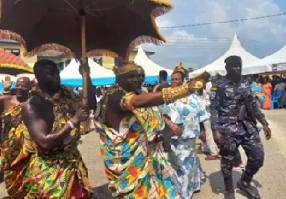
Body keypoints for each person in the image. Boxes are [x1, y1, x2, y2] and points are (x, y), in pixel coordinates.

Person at [96, 61, 201, 199]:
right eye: (131, 76)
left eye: (139, 76)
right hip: (128, 159)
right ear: (118, 78)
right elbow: (137, 102)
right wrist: (183, 89)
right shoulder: (116, 95)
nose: (137, 79)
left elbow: (152, 114)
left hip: (149, 153)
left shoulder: (136, 91)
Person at [21, 59, 97, 198]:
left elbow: (90, 106)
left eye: (57, 72)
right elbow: (45, 142)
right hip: (51, 168)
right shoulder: (33, 106)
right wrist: (74, 121)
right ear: (38, 78)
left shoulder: (67, 95)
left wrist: (87, 77)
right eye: (51, 74)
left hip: (73, 162)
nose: (57, 76)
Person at [210, 55, 271, 199]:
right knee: (227, 160)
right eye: (234, 66)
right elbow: (213, 108)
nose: (238, 68)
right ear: (227, 68)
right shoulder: (219, 84)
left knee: (258, 157)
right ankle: (229, 190)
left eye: (239, 65)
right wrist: (215, 130)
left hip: (246, 126)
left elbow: (253, 105)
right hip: (227, 127)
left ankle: (244, 183)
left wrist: (264, 123)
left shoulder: (245, 83)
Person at [163, 64, 206, 198]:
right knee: (180, 165)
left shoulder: (193, 96)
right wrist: (171, 124)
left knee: (191, 162)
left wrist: (203, 130)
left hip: (191, 136)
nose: (173, 81)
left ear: (184, 81)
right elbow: (161, 114)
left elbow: (201, 113)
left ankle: (193, 186)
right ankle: (182, 192)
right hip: (176, 138)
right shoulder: (168, 96)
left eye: (176, 79)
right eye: (172, 79)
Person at [0, 76, 33, 198]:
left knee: (29, 174)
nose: (19, 88)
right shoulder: (7, 100)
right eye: (18, 85)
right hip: (9, 148)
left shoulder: (34, 102)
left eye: (23, 85)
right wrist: (6, 90)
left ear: (29, 87)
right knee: (11, 175)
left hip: (28, 147)